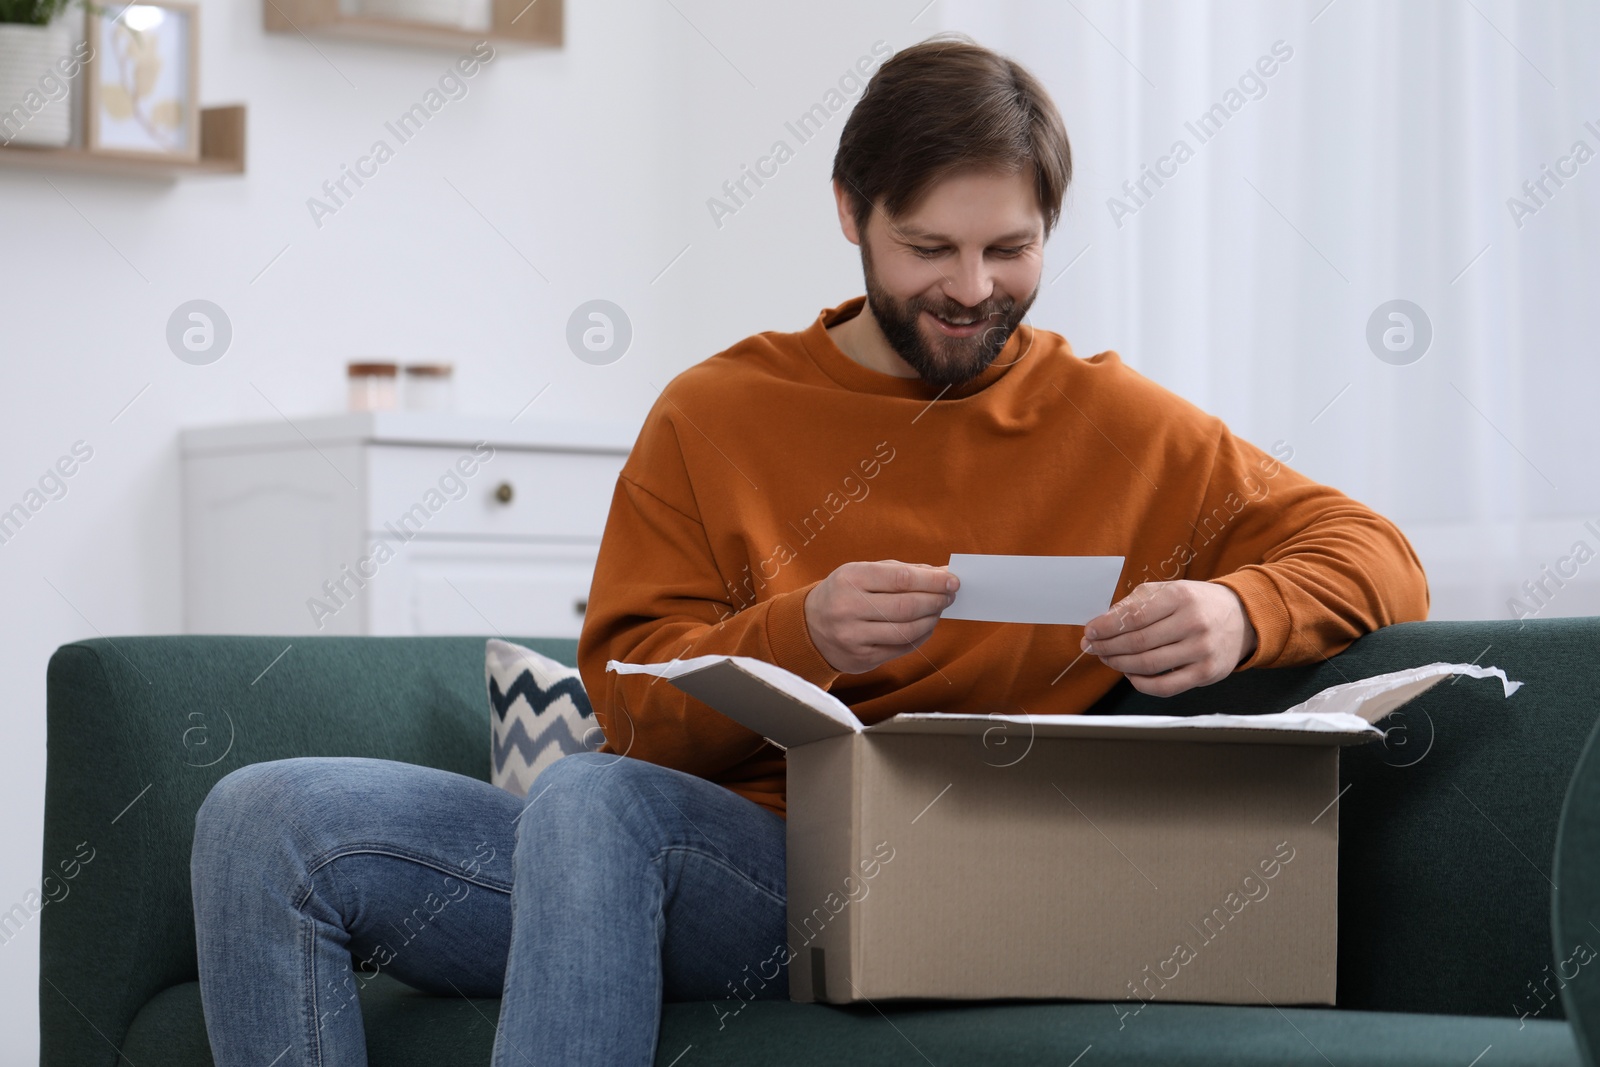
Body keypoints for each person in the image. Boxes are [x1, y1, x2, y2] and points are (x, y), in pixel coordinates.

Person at [190, 33, 1429, 1067]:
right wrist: (803, 634)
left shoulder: (1120, 425)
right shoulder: (714, 412)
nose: (974, 289)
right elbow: (627, 704)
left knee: (590, 807)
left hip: (921, 882)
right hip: (697, 859)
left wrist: (1240, 611)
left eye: (1012, 250)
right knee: (266, 815)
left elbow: (1373, 550)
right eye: (930, 250)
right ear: (850, 213)